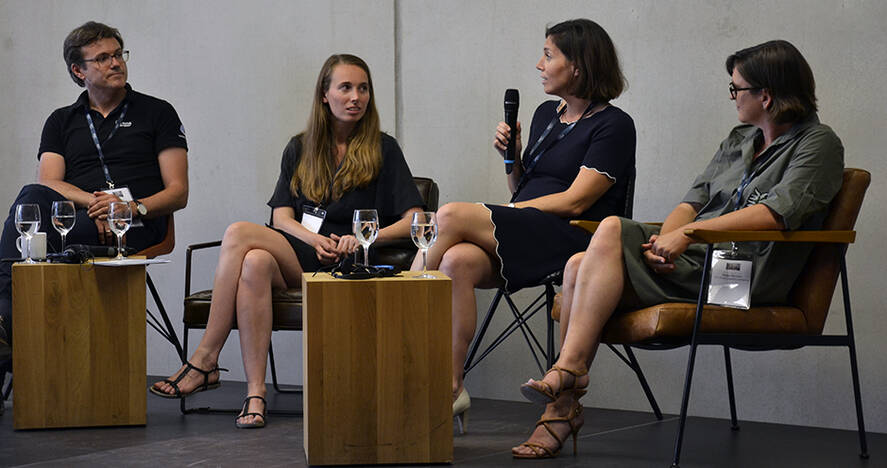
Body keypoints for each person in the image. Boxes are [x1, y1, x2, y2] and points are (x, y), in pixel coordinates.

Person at [512, 40, 844, 459]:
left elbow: (776, 214)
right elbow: (692, 202)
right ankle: (564, 392)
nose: (732, 97)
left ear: (767, 95)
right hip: (698, 264)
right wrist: (660, 245)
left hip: (742, 280)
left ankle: (565, 388)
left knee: (608, 231)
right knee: (579, 263)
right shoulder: (741, 138)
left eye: (736, 89)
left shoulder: (818, 144)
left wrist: (686, 237)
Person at [150, 54, 423, 429]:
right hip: (303, 256)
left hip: (351, 263)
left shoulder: (384, 148)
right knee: (254, 258)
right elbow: (282, 217)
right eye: (345, 87)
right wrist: (314, 240)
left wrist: (362, 239)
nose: (356, 96)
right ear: (324, 95)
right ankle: (253, 391)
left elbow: (415, 220)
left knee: (245, 248)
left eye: (363, 88)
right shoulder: (300, 147)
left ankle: (207, 360)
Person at [416, 18, 636, 432]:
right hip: (527, 227)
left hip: (574, 238)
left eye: (549, 54)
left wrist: (511, 211)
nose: (539, 63)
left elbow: (577, 200)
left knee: (447, 215)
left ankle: (398, 308)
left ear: (578, 66)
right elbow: (521, 189)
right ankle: (449, 388)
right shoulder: (544, 115)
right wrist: (513, 159)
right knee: (457, 262)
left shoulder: (614, 125)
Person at [0, 21, 188, 374]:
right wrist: (96, 203)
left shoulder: (157, 112)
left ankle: (4, 323)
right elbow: (49, 184)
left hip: (137, 223)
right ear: (78, 70)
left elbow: (178, 192)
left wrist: (128, 207)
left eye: (118, 54)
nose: (115, 63)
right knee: (32, 199)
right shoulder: (61, 121)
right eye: (102, 58)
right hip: (80, 220)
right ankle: (8, 327)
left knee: (33, 218)